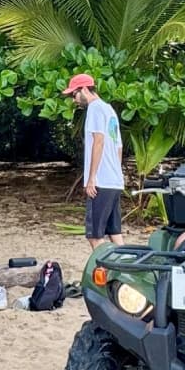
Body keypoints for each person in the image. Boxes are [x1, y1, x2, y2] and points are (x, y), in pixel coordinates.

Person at [63, 73, 125, 251]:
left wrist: (91, 178)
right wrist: (117, 174)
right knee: (115, 233)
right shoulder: (109, 110)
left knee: (94, 236)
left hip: (102, 182)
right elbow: (118, 146)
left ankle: (105, 275)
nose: (74, 100)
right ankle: (126, 273)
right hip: (114, 181)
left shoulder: (95, 109)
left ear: (83, 89)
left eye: (74, 95)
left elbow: (98, 140)